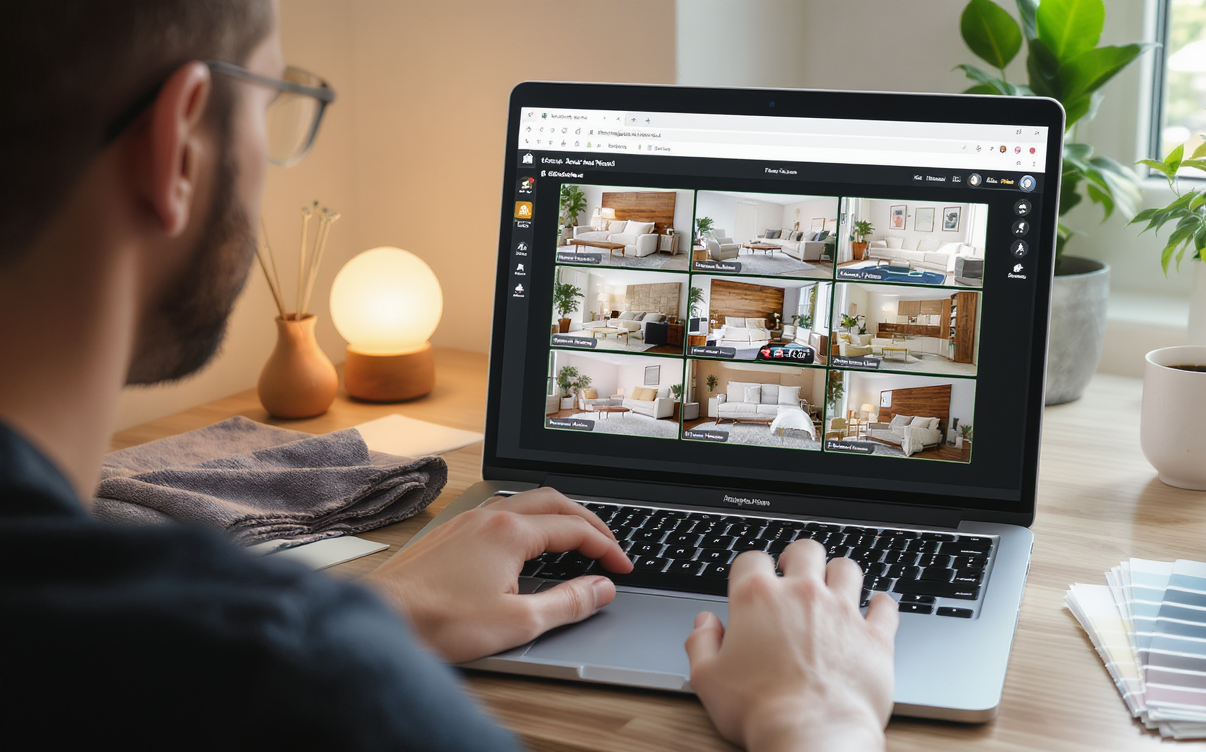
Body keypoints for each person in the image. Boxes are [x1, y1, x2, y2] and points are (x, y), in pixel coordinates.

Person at [0, 2, 899, 750]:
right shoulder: (306, 691)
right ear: (180, 147)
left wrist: (380, 602)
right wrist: (813, 714)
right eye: (272, 101)